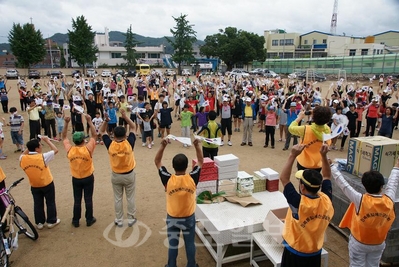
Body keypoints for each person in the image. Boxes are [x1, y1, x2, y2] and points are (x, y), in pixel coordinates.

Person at [331, 159, 399, 266]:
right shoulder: (389, 200)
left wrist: (332, 166)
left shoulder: (360, 200)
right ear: (382, 187)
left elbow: (343, 185)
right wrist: (396, 166)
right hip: (379, 243)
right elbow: (393, 183)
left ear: (364, 185)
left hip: (359, 243)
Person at [279, 144, 334, 267]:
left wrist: (292, 155)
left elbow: (284, 178)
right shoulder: (326, 200)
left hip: (295, 251)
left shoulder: (298, 202)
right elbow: (327, 176)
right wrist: (323, 156)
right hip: (315, 252)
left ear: (302, 187)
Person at [154, 137, 203, 267]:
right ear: (187, 166)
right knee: (190, 244)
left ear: (173, 166)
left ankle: (171, 265)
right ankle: (191, 264)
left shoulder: (168, 179)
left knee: (173, 244)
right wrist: (197, 146)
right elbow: (200, 161)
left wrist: (163, 146)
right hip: (188, 217)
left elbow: (157, 161)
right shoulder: (192, 178)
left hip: (173, 217)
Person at [100, 109, 137, 227]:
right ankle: (131, 218)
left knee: (118, 198)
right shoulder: (129, 143)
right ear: (125, 135)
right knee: (130, 197)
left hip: (116, 175)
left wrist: (106, 121)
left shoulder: (110, 144)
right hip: (129, 174)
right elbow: (133, 127)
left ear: (114, 135)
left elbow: (101, 131)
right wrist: (125, 116)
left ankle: (119, 219)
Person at [62, 114, 97, 227]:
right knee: (88, 198)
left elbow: (64, 137)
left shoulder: (70, 149)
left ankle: (76, 220)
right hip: (88, 176)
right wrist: (89, 121)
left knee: (77, 199)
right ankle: (89, 219)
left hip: (76, 178)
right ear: (83, 139)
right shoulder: (87, 149)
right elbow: (94, 135)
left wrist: (66, 123)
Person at [19, 137, 61, 230]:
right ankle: (51, 221)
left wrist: (31, 146)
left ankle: (39, 222)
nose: (41, 147)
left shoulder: (23, 158)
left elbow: (23, 153)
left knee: (37, 203)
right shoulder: (42, 157)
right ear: (37, 148)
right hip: (46, 182)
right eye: (40, 146)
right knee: (50, 202)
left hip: (34, 184)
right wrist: (47, 140)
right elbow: (55, 150)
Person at [288, 106, 332, 171]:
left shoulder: (306, 129)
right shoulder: (327, 130)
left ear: (313, 117)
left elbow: (291, 128)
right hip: (318, 162)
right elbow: (323, 123)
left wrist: (299, 117)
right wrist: (316, 114)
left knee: (302, 179)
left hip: (304, 161)